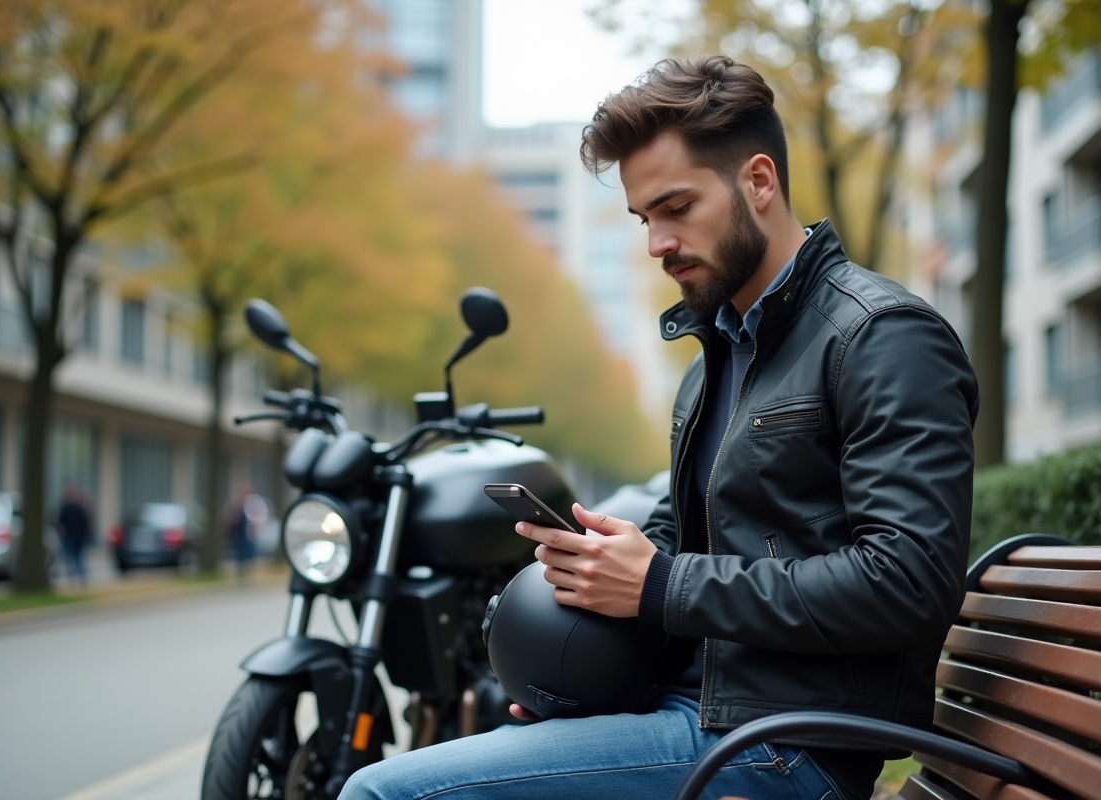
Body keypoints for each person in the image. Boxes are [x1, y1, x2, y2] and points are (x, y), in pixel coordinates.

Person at [342, 55, 978, 800]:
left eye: (676, 208)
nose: (657, 244)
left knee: (381, 793)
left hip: (786, 746)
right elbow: (679, 561)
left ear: (759, 182)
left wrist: (658, 582)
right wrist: (571, 675)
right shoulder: (713, 362)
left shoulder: (882, 336)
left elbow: (906, 582)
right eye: (646, 218)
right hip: (700, 714)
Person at [56, 484, 92, 586]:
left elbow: (60, 524)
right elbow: (86, 524)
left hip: (70, 538)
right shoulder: (79, 508)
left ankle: (74, 580)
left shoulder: (66, 508)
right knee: (78, 559)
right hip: (77, 538)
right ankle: (82, 580)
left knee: (71, 559)